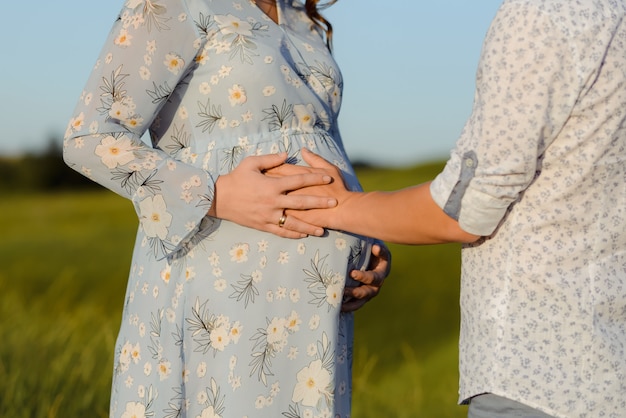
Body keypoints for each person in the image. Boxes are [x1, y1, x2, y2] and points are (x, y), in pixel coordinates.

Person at [258, 0, 626, 417]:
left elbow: (467, 208)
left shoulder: (540, 15)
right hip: (605, 372)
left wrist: (340, 207)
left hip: (539, 377)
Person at [63, 0, 388, 417]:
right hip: (223, 294)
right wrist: (215, 193)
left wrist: (365, 234)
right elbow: (89, 138)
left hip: (316, 312)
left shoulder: (301, 18)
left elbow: (322, 143)